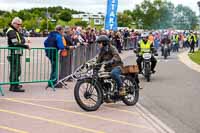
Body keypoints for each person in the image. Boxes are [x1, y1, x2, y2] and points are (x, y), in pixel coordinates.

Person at [6, 17, 30, 92]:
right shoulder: (11, 31)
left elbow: (22, 39)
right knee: (15, 70)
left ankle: (15, 84)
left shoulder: (15, 31)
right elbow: (15, 43)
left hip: (17, 53)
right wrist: (25, 46)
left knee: (17, 70)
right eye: (18, 24)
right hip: (13, 53)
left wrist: (22, 42)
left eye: (20, 24)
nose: (20, 26)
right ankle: (13, 86)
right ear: (14, 23)